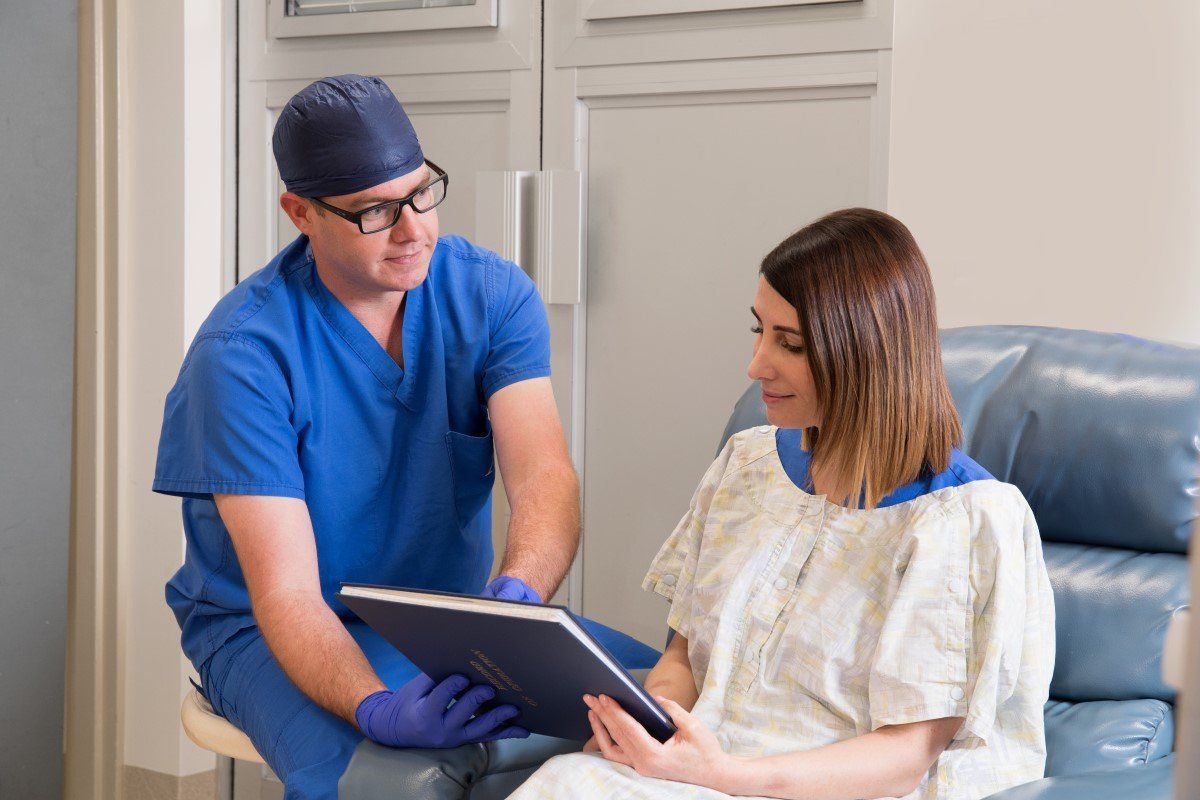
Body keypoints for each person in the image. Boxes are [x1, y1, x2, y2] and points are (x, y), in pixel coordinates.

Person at [510, 208, 1056, 800]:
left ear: (866, 353)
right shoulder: (747, 468)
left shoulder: (962, 522)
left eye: (789, 343)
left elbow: (906, 757)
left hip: (840, 790)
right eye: (759, 331)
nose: (755, 366)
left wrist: (720, 775)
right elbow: (685, 656)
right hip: (706, 772)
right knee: (567, 782)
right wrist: (650, 725)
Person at [153, 74, 582, 799]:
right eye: (375, 211)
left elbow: (545, 478)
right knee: (389, 783)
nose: (415, 228)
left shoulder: (490, 294)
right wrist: (372, 706)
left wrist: (516, 598)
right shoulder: (244, 354)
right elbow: (286, 594)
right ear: (300, 213)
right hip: (265, 629)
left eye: (420, 192)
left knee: (650, 713)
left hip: (444, 623)